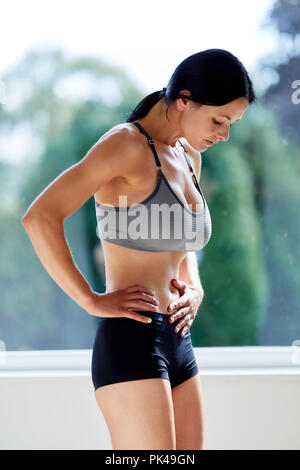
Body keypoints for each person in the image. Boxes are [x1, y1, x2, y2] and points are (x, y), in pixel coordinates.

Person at [22, 48, 256, 450]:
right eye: (219, 119)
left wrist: (194, 287)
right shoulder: (125, 145)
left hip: (179, 339)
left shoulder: (189, 157)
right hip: (131, 338)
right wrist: (91, 300)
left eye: (231, 123)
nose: (224, 133)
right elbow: (40, 217)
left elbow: (183, 245)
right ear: (184, 100)